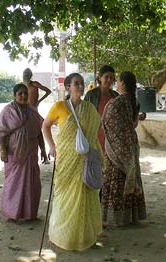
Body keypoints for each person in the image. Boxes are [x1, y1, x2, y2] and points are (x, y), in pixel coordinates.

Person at [42, 73, 103, 251]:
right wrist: (52, 146)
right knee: (63, 196)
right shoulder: (59, 107)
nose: (80, 87)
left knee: (85, 196)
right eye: (76, 84)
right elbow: (45, 126)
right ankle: (63, 236)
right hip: (66, 160)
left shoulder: (89, 109)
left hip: (84, 161)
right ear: (68, 87)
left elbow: (95, 129)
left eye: (81, 83)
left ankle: (85, 237)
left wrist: (91, 149)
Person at [0, 83, 46, 221]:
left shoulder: (33, 111)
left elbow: (39, 131)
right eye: (20, 94)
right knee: (14, 183)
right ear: (14, 95)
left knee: (32, 183)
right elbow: (1, 133)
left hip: (31, 151)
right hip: (14, 154)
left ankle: (29, 214)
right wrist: (2, 150)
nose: (23, 96)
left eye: (25, 93)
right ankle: (12, 213)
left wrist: (43, 149)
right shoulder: (8, 111)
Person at [102, 71, 147, 227]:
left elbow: (108, 122)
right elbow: (133, 124)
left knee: (117, 179)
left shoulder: (117, 102)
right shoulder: (133, 101)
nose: (115, 82)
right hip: (130, 144)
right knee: (131, 175)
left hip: (117, 146)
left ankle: (117, 219)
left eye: (117, 80)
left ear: (122, 83)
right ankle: (131, 216)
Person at [84, 65, 118, 152]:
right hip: (95, 136)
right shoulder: (91, 95)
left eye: (111, 78)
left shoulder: (115, 96)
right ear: (100, 78)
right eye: (106, 77)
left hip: (112, 137)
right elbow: (84, 116)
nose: (109, 80)